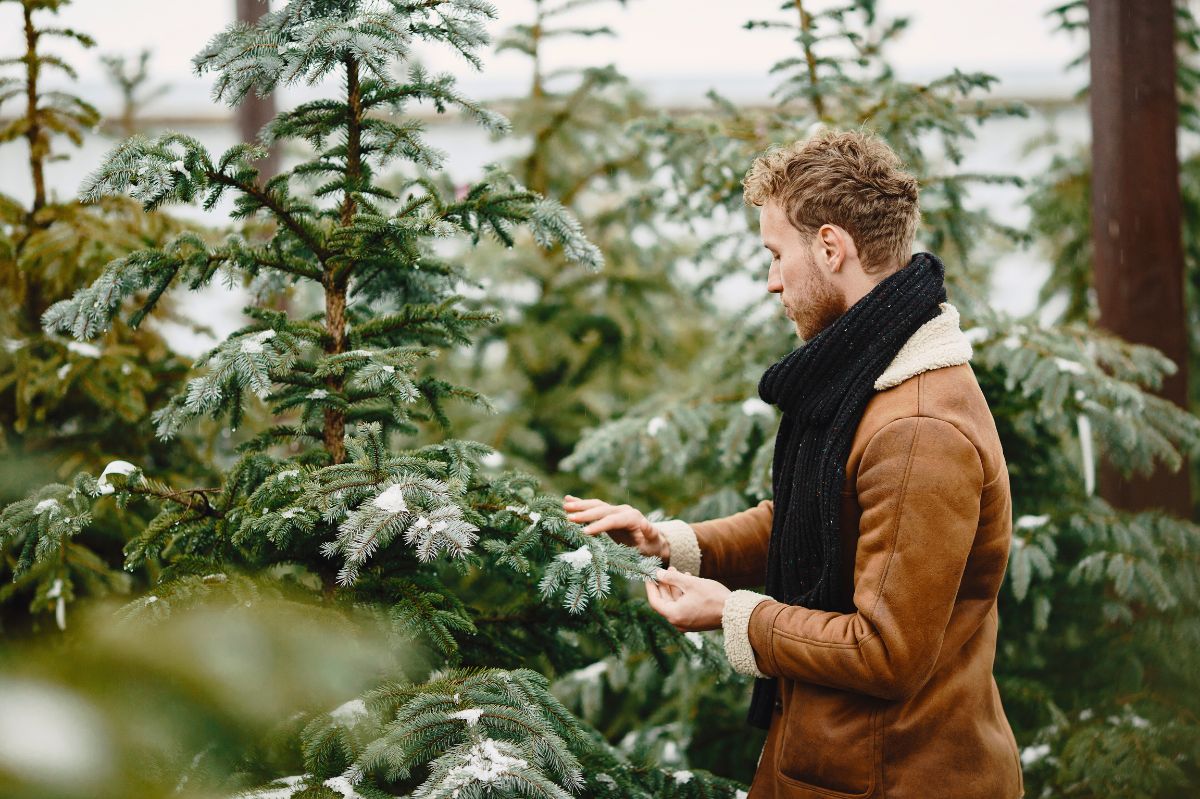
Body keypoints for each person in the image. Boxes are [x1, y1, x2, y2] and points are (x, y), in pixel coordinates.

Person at [562, 127, 1024, 799]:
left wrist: (734, 615)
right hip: (836, 766)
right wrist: (673, 542)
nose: (771, 281)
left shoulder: (919, 429)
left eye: (777, 254)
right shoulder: (868, 376)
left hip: (893, 780)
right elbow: (821, 520)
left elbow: (885, 650)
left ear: (831, 247)